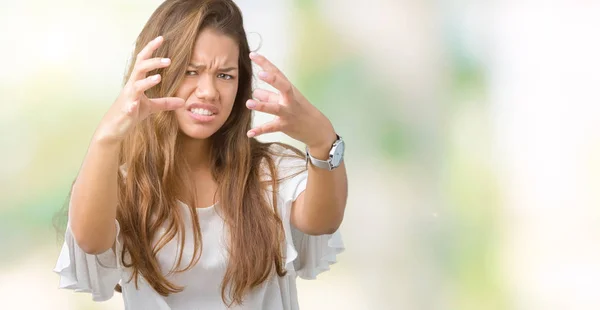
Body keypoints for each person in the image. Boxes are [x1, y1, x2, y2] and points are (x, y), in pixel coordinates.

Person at [53, 0, 347, 309]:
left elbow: (321, 221)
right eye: (191, 71)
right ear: (154, 74)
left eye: (225, 75)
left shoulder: (270, 170)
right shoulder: (122, 184)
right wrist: (106, 136)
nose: (208, 91)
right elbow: (90, 240)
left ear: (241, 83)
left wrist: (322, 139)